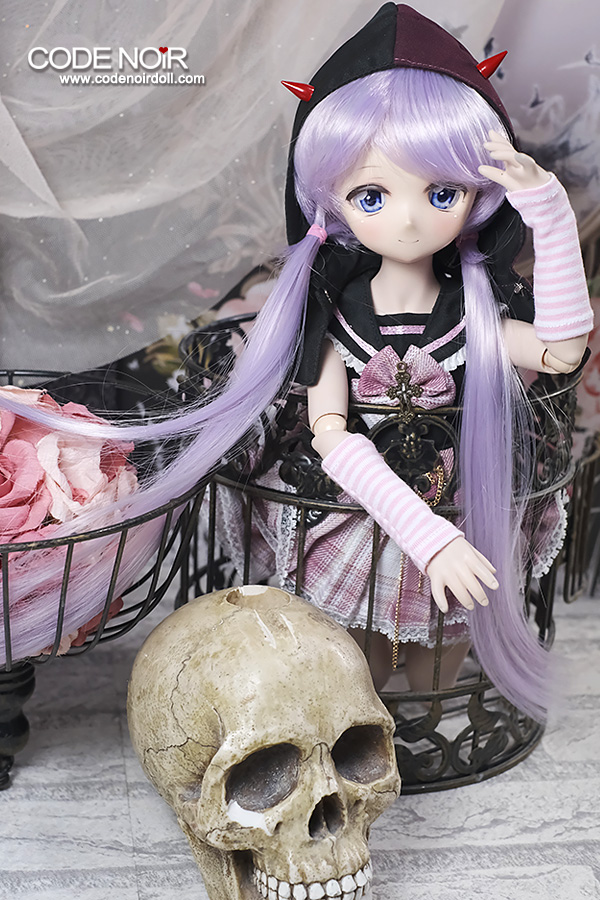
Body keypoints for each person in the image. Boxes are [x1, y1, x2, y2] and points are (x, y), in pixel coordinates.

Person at [0, 5, 592, 722]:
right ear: (332, 201)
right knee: (356, 671)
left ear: (477, 198)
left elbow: (563, 349)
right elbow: (332, 435)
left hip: (461, 505)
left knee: (436, 674)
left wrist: (550, 214)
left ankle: (424, 732)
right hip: (355, 513)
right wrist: (426, 535)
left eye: (443, 193)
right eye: (372, 195)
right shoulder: (335, 317)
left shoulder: (473, 315)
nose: (409, 220)